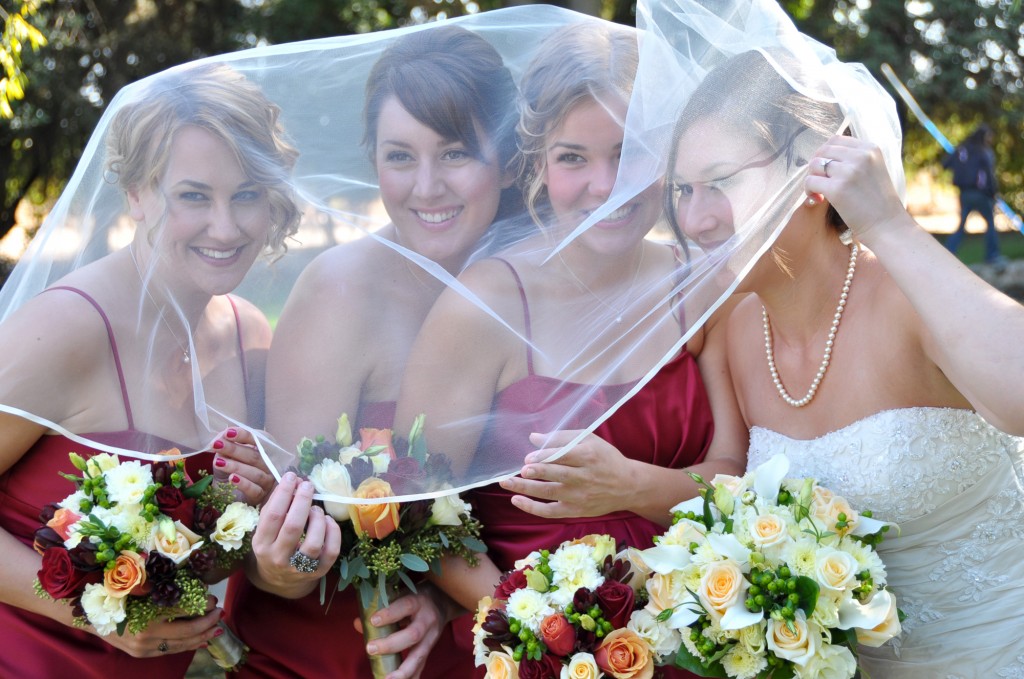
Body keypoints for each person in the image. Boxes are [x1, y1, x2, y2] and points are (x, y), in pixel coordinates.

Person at [663, 33, 1024, 678]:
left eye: (718, 182)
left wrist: (889, 226)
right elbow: (734, 493)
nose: (694, 220)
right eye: (682, 190)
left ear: (816, 170)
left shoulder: (910, 299)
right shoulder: (737, 331)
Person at [392, 23, 746, 678]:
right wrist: (538, 625)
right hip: (529, 650)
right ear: (537, 162)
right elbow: (418, 507)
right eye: (574, 157)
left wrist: (633, 485)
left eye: (628, 153)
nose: (606, 184)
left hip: (689, 642)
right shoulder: (485, 303)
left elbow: (733, 476)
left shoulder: (702, 288)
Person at [223, 24, 525, 679]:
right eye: (400, 156)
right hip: (348, 648)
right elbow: (282, 553)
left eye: (454, 153)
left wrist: (448, 603)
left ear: (506, 159)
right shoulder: (340, 294)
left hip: (493, 635)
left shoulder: (542, 278)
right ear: (372, 160)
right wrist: (283, 564)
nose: (427, 186)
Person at [0, 63, 294, 677]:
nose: (227, 226)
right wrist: (93, 609)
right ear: (136, 192)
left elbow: (206, 554)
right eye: (194, 195)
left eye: (247, 194)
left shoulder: (251, 339)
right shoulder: (65, 330)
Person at [941, 123, 1006, 268]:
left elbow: (945, 164)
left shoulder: (961, 150)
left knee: (962, 224)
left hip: (965, 193)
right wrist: (993, 193)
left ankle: (948, 253)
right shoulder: (984, 151)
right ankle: (993, 256)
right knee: (990, 223)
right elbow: (989, 175)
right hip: (981, 194)